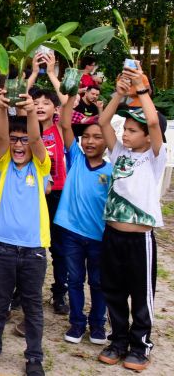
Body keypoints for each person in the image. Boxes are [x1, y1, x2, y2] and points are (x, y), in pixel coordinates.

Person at [0, 91, 50, 376]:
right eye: (15, 140)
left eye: (23, 140)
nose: (19, 144)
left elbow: (37, 140)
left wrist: (30, 112)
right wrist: (2, 109)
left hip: (34, 249)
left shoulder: (41, 166)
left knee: (32, 306)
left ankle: (34, 357)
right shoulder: (3, 163)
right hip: (1, 246)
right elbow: (1, 139)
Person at [96, 65, 167, 371]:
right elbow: (102, 121)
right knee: (112, 289)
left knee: (141, 293)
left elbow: (152, 121)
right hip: (112, 234)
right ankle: (118, 340)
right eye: (124, 128)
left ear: (149, 136)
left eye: (132, 130)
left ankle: (141, 345)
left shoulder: (154, 157)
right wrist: (119, 94)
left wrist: (140, 90)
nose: (125, 134)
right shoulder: (117, 153)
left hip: (140, 239)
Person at [56, 91, 112, 344]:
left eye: (97, 137)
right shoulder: (76, 158)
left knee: (99, 282)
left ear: (107, 141)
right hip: (71, 234)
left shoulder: (113, 170)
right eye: (86, 136)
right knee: (75, 280)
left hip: (100, 236)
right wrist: (69, 96)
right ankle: (77, 323)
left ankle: (98, 324)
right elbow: (65, 124)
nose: (90, 141)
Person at [31, 87, 69, 314]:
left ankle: (59, 293)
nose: (39, 106)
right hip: (31, 194)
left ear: (54, 109)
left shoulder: (59, 130)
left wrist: (55, 76)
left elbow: (67, 102)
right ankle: (20, 292)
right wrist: (33, 72)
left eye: (45, 103)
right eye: (36, 102)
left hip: (56, 193)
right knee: (28, 246)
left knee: (58, 247)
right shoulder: (26, 131)